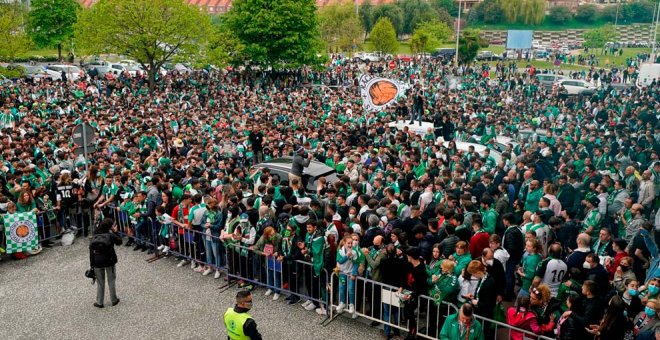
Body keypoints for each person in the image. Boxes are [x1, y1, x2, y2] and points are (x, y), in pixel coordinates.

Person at [89, 218, 122, 308]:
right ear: (110, 226)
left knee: (100, 283)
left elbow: (91, 251)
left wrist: (92, 265)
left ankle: (99, 302)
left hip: (97, 262)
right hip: (109, 260)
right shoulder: (110, 235)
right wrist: (115, 232)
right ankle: (114, 300)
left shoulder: (95, 234)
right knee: (111, 280)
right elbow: (120, 241)